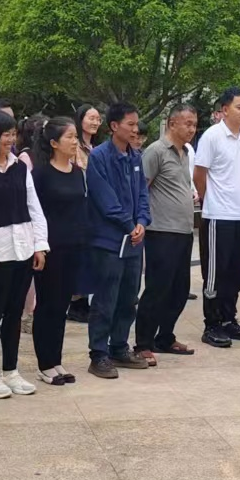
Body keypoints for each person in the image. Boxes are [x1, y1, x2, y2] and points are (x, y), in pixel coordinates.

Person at [0, 111, 47, 398]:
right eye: (5, 134)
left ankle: (11, 370)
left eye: (12, 134)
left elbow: (34, 207)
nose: (10, 140)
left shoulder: (20, 167)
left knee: (15, 313)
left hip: (23, 248)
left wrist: (40, 245)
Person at [85, 102, 150, 378]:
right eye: (130, 124)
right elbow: (106, 200)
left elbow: (143, 194)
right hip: (109, 241)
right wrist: (129, 224)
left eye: (136, 124)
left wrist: (142, 221)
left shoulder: (135, 156)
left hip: (134, 241)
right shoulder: (99, 157)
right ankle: (98, 354)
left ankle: (119, 347)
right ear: (114, 126)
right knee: (106, 298)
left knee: (128, 297)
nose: (135, 130)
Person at [193, 88, 240, 348]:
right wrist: (208, 200)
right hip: (218, 216)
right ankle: (212, 324)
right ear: (225, 109)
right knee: (215, 274)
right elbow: (199, 174)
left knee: (235, 272)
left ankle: (229, 319)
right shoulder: (212, 136)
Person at [134, 103, 199, 359]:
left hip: (183, 230)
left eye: (195, 125)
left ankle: (165, 337)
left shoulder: (185, 152)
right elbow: (142, 189)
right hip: (161, 231)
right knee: (157, 289)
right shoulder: (156, 151)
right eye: (188, 124)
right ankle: (143, 343)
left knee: (179, 290)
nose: (192, 129)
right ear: (172, 124)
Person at [30, 118, 85, 385]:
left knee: (62, 305)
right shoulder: (40, 174)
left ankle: (57, 359)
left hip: (73, 247)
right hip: (49, 248)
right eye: (69, 137)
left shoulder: (78, 172)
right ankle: (45, 364)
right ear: (53, 143)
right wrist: (38, 246)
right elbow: (34, 212)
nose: (75, 142)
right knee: (47, 305)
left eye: (76, 137)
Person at [67, 103, 104, 323]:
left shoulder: (96, 148)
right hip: (78, 205)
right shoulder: (74, 147)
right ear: (80, 119)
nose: (95, 122)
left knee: (90, 256)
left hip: (94, 207)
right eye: (91, 118)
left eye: (98, 119)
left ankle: (83, 300)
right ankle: (75, 303)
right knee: (79, 256)